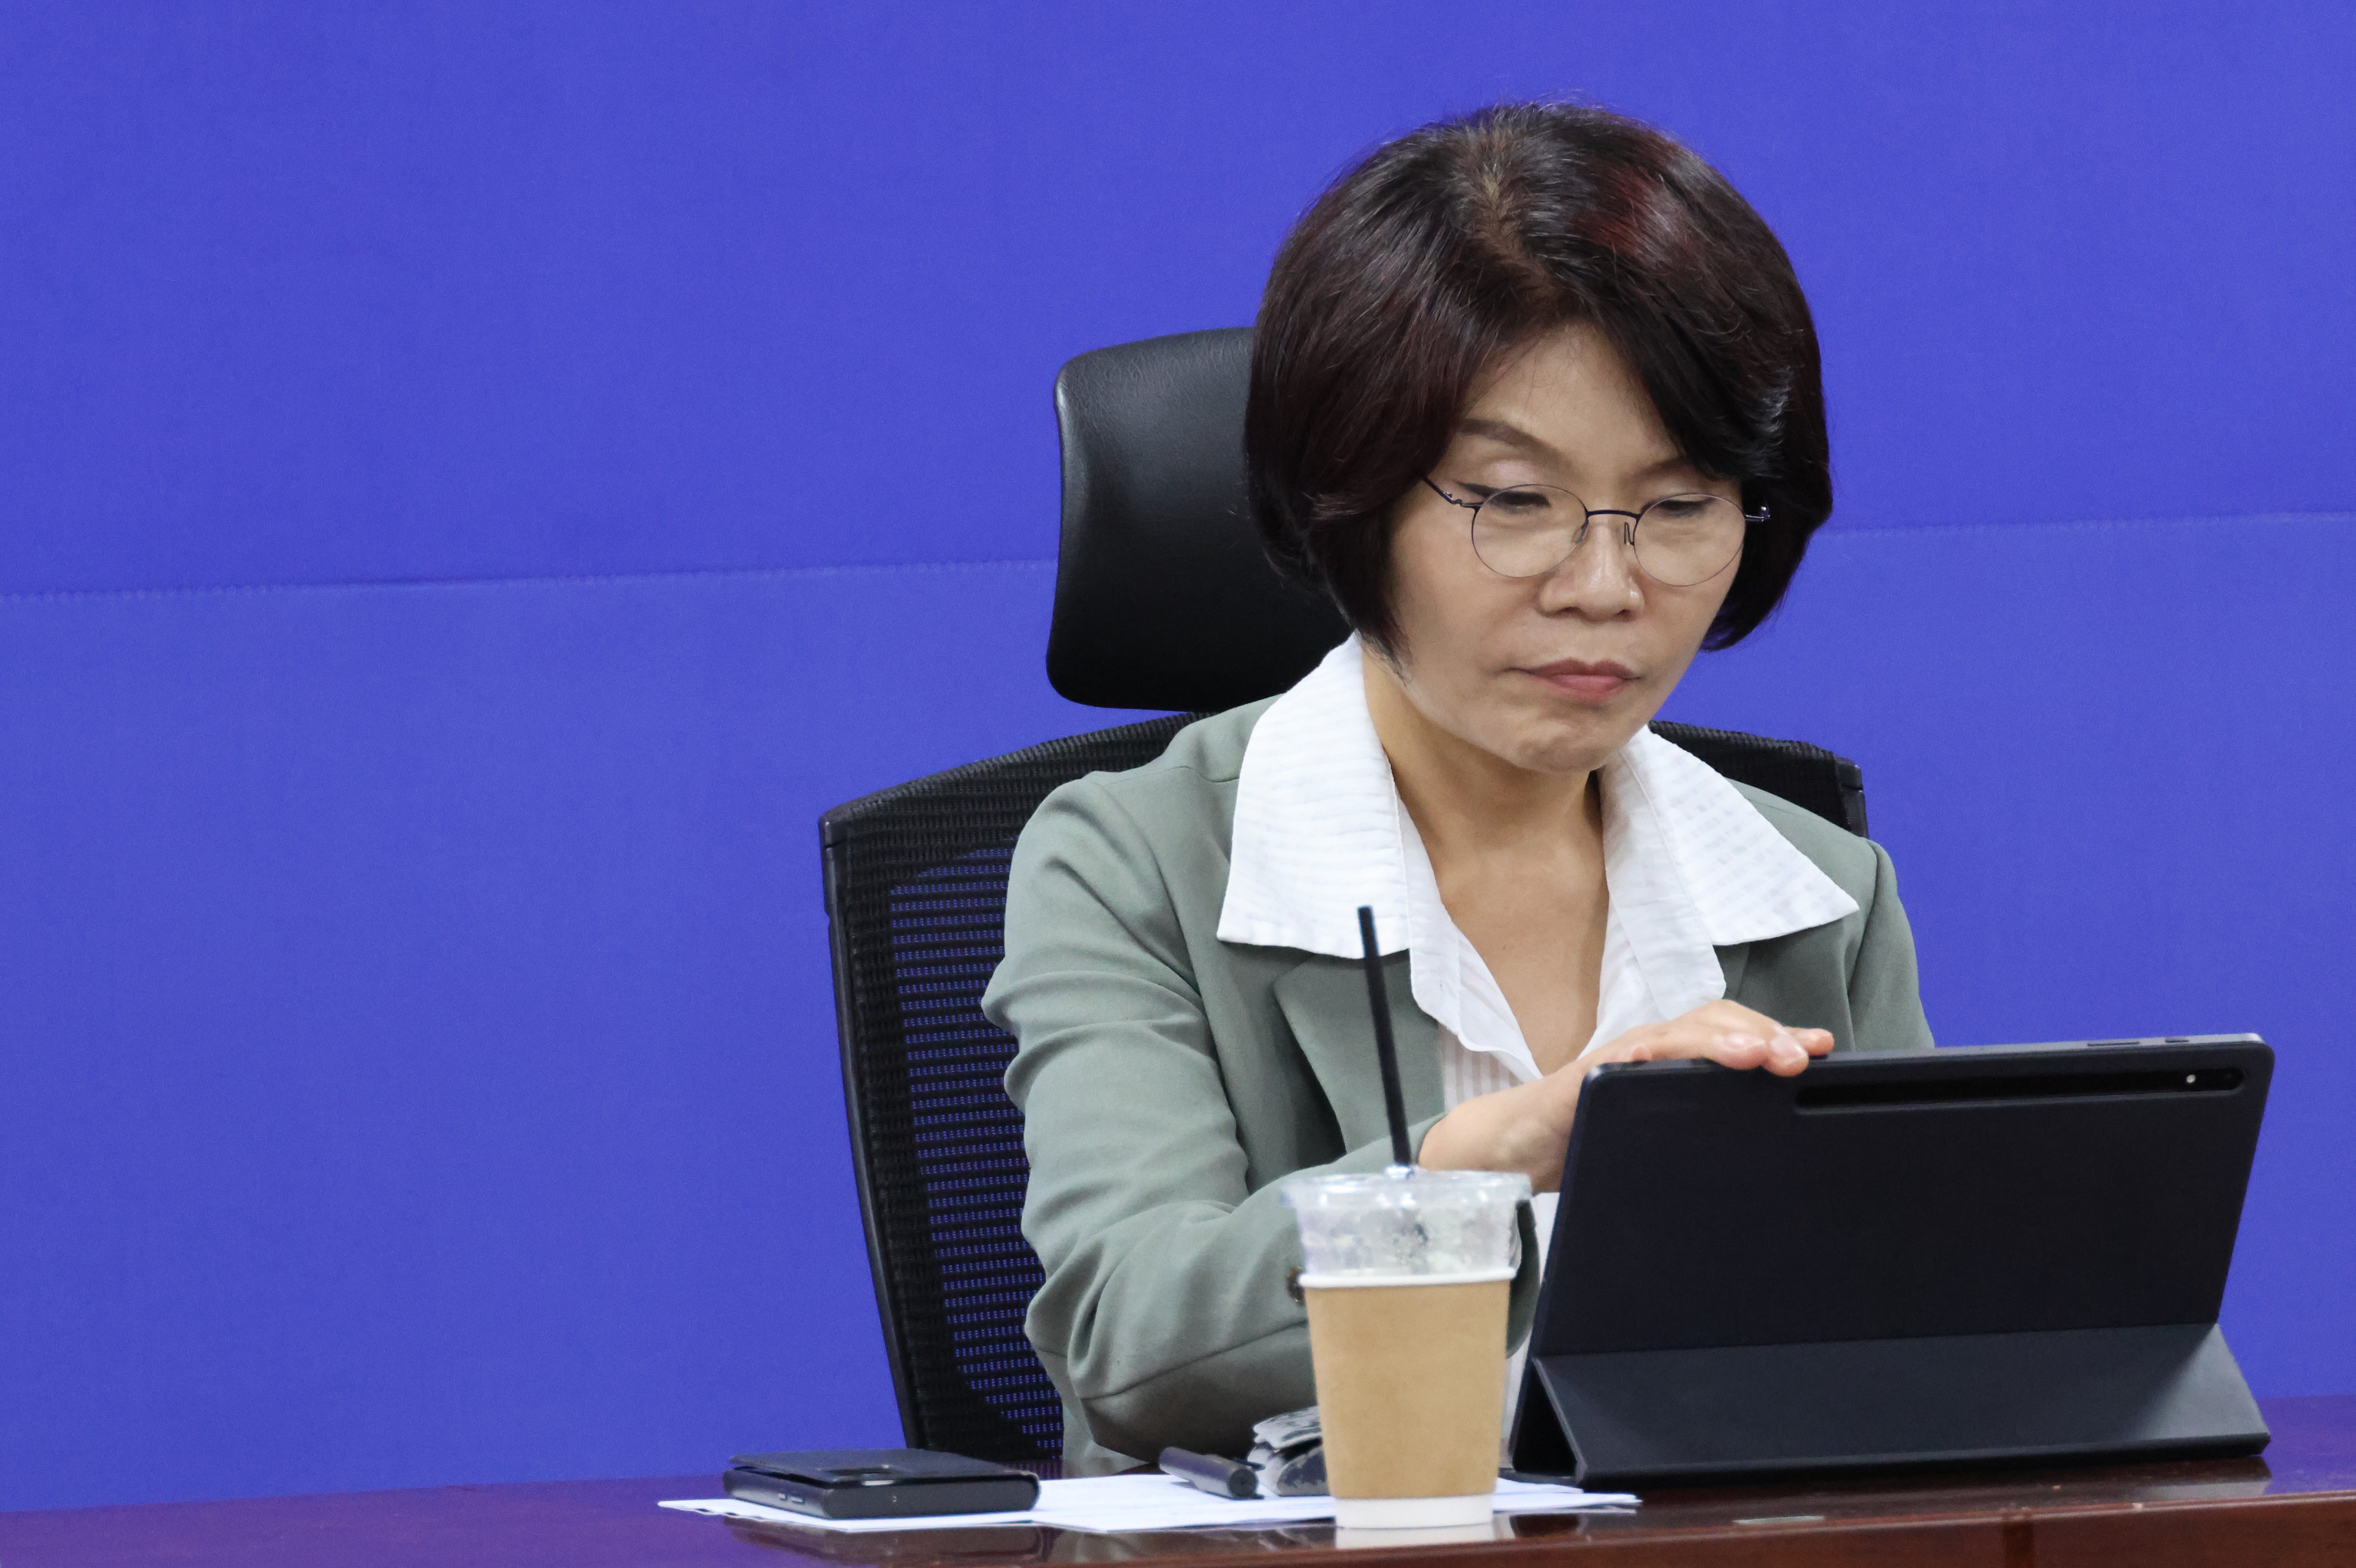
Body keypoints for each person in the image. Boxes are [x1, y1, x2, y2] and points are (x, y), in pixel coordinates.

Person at [980, 102, 1932, 1473]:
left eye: (1678, 508)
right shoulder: (1133, 862)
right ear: (1351, 498)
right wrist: (1507, 1152)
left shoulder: (1818, 893)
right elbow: (1128, 1348)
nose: (1603, 587)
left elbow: (1905, 1346)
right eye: (1513, 501)